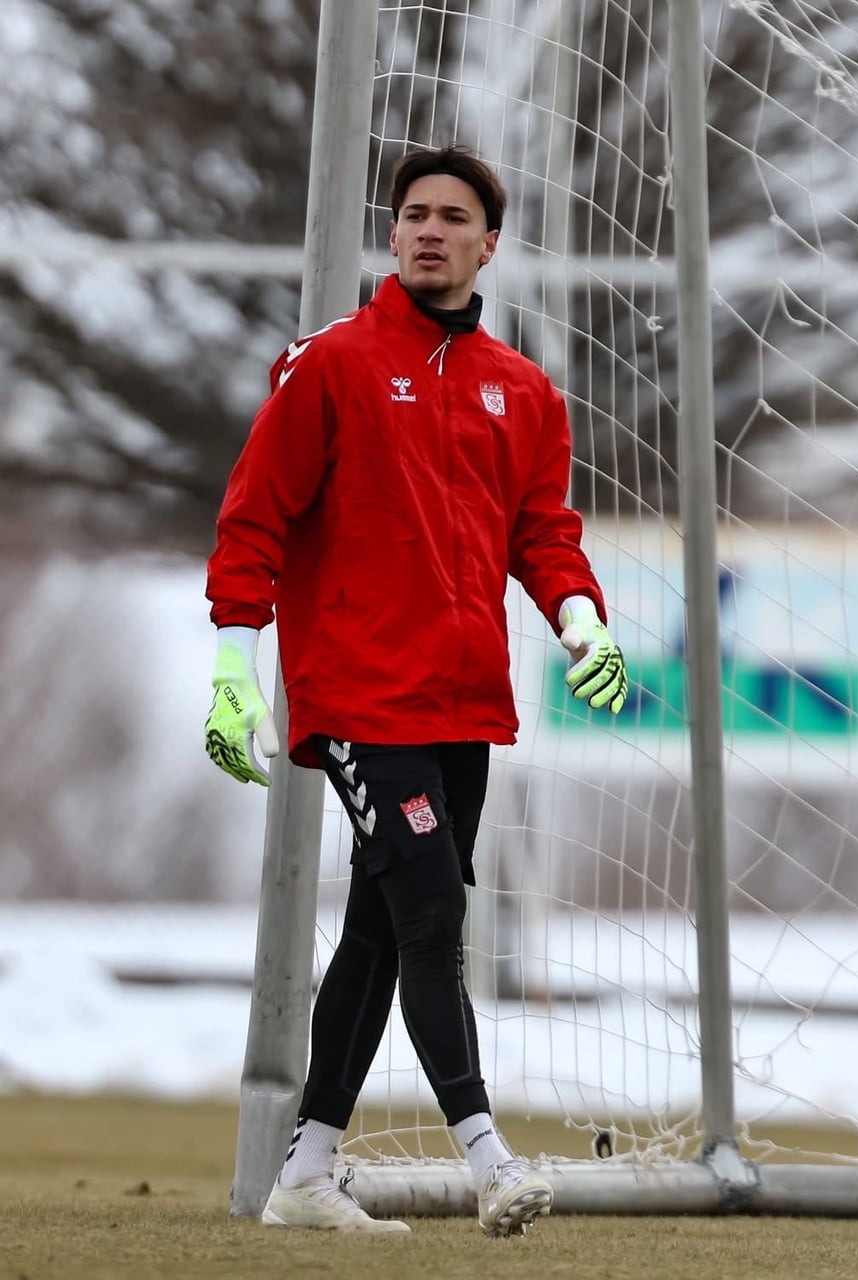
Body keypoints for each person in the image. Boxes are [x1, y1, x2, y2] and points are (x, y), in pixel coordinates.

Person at [202, 144, 628, 1238]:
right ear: (393, 236)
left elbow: (544, 534)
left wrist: (578, 618)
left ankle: (303, 1170)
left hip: (464, 703)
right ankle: (489, 1156)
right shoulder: (331, 363)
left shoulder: (523, 391)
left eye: (453, 216)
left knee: (385, 931)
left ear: (489, 242)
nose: (429, 228)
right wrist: (232, 671)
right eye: (413, 214)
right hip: (356, 695)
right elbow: (253, 518)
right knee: (434, 909)